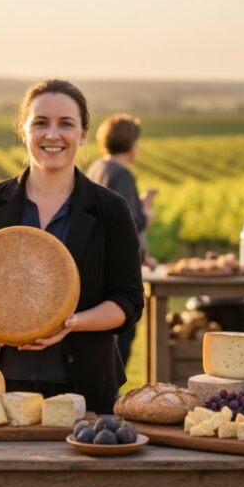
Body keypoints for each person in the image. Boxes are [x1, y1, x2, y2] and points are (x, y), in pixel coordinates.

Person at [0, 79, 143, 487]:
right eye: (41, 123)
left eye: (65, 124)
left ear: (83, 133)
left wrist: (71, 322)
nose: (52, 134)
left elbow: (128, 302)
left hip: (82, 390)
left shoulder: (109, 209)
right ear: (23, 130)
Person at [86, 113, 156, 368]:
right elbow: (126, 224)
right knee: (120, 342)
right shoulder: (122, 175)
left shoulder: (97, 168)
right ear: (130, 143)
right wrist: (145, 215)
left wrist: (144, 256)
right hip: (115, 275)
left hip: (96, 269)